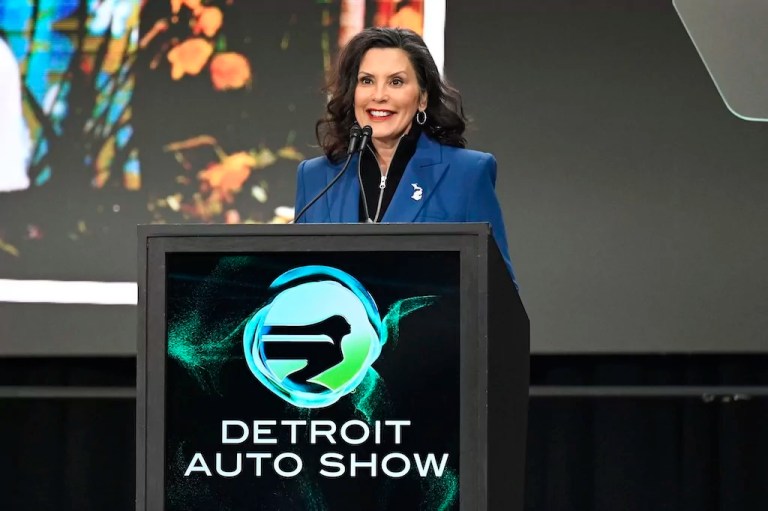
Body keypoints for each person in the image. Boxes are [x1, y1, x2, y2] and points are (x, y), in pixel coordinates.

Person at [294, 27, 517, 285]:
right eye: (366, 81)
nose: (379, 96)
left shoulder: (466, 174)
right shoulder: (315, 178)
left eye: (396, 82)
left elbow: (499, 290)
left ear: (422, 98)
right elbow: (297, 283)